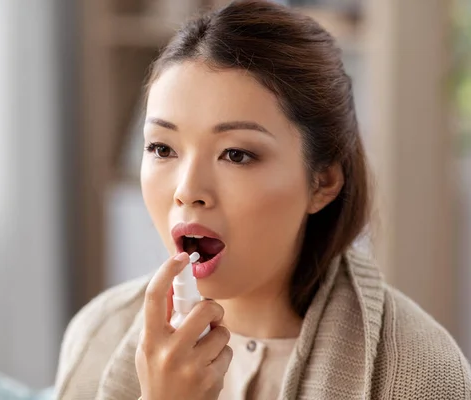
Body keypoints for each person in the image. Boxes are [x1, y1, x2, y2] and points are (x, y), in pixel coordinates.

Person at [54, 1, 471, 399]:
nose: (187, 190)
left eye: (236, 154)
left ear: (322, 182)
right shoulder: (95, 335)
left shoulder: (421, 375)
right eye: (162, 149)